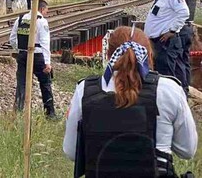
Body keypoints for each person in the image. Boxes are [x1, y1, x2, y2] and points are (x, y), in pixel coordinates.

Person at [63, 26, 197, 177]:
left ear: (108, 55)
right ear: (149, 56)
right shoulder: (169, 90)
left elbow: (71, 152)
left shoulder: (84, 90)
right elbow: (187, 150)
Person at [144, 0, 189, 92]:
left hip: (166, 43)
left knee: (166, 77)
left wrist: (172, 31)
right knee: (168, 74)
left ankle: (170, 103)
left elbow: (184, 12)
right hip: (159, 42)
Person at [10, 0, 55, 118]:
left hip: (23, 55)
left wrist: (20, 49)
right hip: (38, 55)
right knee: (45, 83)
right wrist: (47, 63)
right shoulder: (41, 21)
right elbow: (45, 42)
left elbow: (13, 38)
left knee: (21, 84)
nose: (46, 13)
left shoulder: (20, 19)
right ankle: (50, 113)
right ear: (41, 9)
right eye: (46, 10)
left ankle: (18, 112)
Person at [170, 0, 196, 95]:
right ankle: (186, 88)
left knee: (178, 61)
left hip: (180, 28)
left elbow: (180, 9)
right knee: (185, 61)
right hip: (189, 27)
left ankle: (182, 91)